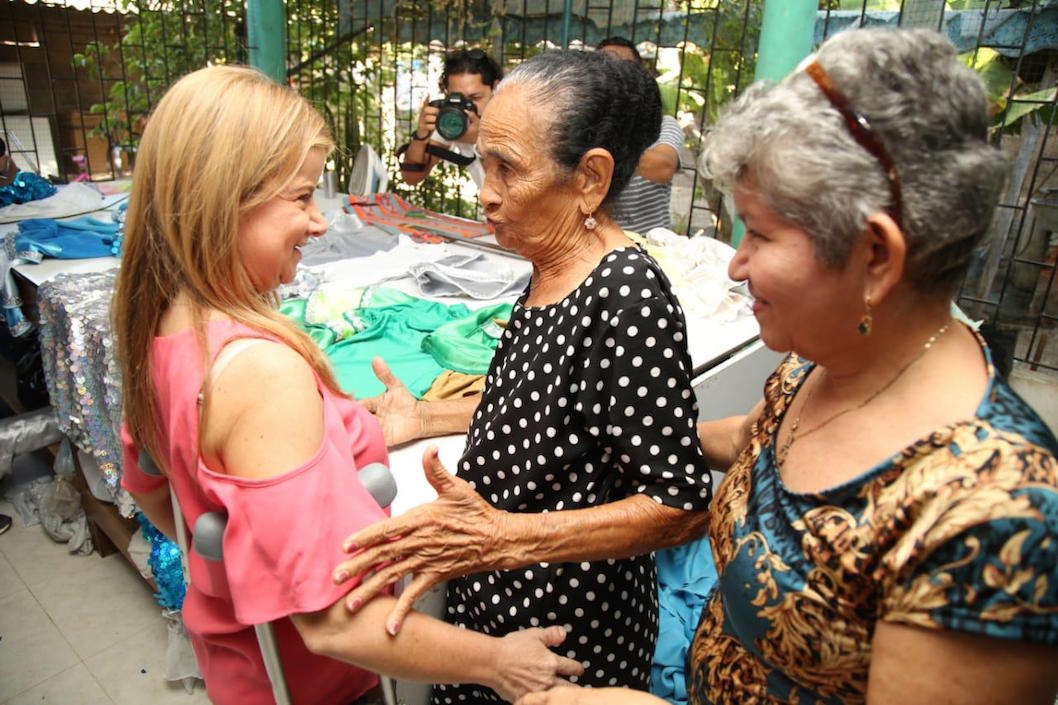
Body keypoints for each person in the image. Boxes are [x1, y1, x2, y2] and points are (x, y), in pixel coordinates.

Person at [515, 27, 1058, 705]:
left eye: (762, 234)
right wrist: (594, 437)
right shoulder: (820, 365)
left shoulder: (992, 519)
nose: (737, 266)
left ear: (877, 258)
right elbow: (753, 438)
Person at [112, 65, 582, 705]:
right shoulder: (258, 370)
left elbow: (155, 489)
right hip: (321, 688)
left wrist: (244, 560)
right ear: (224, 201)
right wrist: (501, 662)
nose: (320, 223)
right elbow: (338, 622)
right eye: (302, 198)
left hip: (241, 671)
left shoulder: (165, 328)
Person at [332, 50, 713, 703]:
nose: (485, 190)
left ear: (589, 179)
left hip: (566, 642)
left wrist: (504, 538)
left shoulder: (626, 293)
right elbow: (548, 410)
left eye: (508, 169)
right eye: (484, 163)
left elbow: (679, 504)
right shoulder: (548, 263)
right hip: (498, 603)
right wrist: (428, 417)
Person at [596, 37, 682, 235]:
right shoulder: (583, 123)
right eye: (606, 68)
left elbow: (663, 167)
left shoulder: (665, 125)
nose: (615, 77)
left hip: (647, 247)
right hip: (595, 245)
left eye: (624, 69)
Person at [398, 48, 502, 189]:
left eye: (474, 98)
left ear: (495, 89)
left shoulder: (513, 119)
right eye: (457, 98)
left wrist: (480, 140)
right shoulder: (453, 119)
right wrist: (421, 136)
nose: (465, 107)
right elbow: (411, 177)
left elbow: (514, 190)